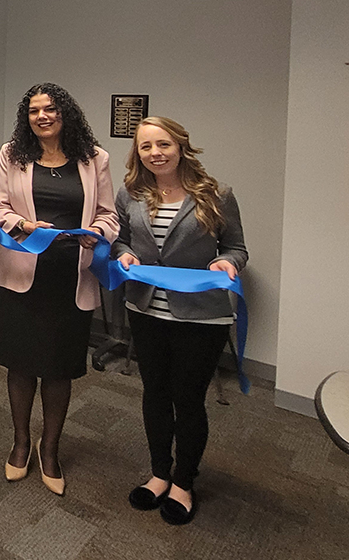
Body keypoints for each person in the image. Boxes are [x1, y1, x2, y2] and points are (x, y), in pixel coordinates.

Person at [114, 117, 247, 526]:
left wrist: (226, 261)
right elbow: (120, 238)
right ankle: (159, 473)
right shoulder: (130, 193)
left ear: (181, 146)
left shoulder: (216, 193)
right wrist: (122, 253)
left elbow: (236, 247)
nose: (155, 153)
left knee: (187, 399)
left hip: (200, 316)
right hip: (146, 311)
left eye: (163, 144)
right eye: (146, 147)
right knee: (155, 393)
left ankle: (184, 481)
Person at [0, 83, 117, 495]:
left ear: (66, 113)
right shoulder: (13, 154)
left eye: (50, 109)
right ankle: (21, 442)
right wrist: (26, 226)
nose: (42, 116)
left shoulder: (95, 159)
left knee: (61, 368)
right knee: (21, 363)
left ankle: (51, 448)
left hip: (70, 277)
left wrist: (96, 233)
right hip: (22, 276)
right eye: (33, 111)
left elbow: (110, 216)